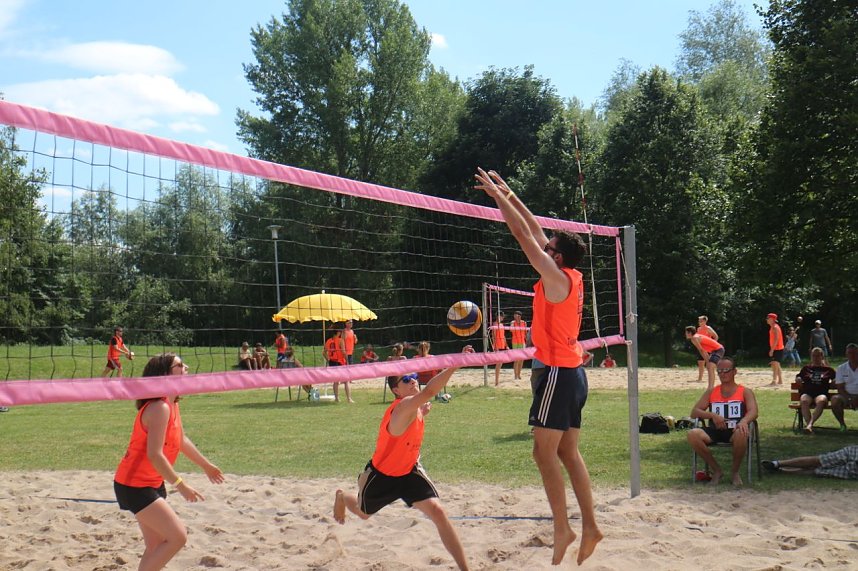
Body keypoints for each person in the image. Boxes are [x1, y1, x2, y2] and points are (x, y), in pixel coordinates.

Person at [474, 168, 602, 566]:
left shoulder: (556, 278)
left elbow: (522, 236)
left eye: (550, 247)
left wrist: (498, 201)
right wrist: (510, 194)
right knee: (568, 454)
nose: (543, 246)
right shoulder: (570, 274)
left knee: (542, 454)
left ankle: (563, 527)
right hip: (573, 373)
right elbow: (532, 228)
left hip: (558, 375)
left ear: (557, 257)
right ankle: (592, 526)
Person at [333, 367, 470, 571]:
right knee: (363, 513)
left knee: (438, 512)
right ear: (396, 390)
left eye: (414, 377)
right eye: (406, 379)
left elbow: (412, 416)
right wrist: (454, 365)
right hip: (382, 475)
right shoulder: (403, 405)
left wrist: (421, 412)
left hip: (409, 470)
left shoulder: (414, 407)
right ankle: (342, 496)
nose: (413, 380)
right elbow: (430, 392)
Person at [113, 353, 225, 571]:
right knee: (177, 537)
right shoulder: (159, 407)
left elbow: (181, 440)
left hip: (149, 483)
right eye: (180, 365)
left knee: (155, 546)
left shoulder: (171, 403)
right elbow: (155, 454)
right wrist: (181, 485)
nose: (187, 368)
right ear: (164, 374)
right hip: (134, 485)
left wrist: (206, 466)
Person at [687, 356, 759, 486]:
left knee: (742, 432)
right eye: (719, 371)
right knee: (692, 434)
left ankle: (735, 472)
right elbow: (694, 412)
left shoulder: (745, 391)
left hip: (735, 430)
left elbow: (753, 411)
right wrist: (712, 415)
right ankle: (717, 470)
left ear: (734, 372)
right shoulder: (712, 392)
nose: (722, 374)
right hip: (715, 430)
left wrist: (744, 421)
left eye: (726, 370)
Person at [795, 347, 836, 433]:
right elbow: (799, 376)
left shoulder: (828, 370)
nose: (815, 358)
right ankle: (809, 426)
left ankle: (809, 425)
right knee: (804, 401)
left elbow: (836, 379)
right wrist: (798, 379)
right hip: (808, 393)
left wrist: (834, 382)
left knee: (821, 401)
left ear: (822, 357)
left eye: (818, 356)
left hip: (821, 393)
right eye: (813, 356)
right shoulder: (806, 368)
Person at [763, 446, 858, 479]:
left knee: (818, 472)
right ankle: (777, 463)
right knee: (820, 460)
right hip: (853, 453)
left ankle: (781, 471)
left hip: (855, 471)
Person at [685, 325, 725, 390]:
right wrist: (707, 360)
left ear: (689, 333)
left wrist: (707, 361)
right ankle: (712, 386)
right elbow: (703, 350)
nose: (685, 334)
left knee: (710, 367)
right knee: (710, 367)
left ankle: (711, 387)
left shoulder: (694, 338)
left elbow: (701, 350)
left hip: (718, 349)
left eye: (686, 332)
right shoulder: (695, 337)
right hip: (715, 351)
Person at [831, 343, 858, 432]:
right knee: (835, 400)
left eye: (855, 353)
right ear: (846, 354)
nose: (852, 355)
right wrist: (850, 398)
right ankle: (842, 425)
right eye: (850, 353)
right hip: (846, 396)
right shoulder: (841, 368)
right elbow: (840, 388)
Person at [324, 329, 352, 403]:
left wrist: (328, 360)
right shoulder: (340, 340)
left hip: (332, 362)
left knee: (336, 381)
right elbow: (343, 352)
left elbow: (324, 353)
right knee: (346, 381)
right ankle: (349, 399)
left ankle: (337, 398)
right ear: (338, 332)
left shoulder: (328, 341)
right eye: (341, 332)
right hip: (340, 362)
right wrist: (347, 361)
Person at [694, 316, 719, 383]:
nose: (699, 322)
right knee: (700, 363)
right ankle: (700, 379)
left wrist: (712, 345)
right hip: (701, 348)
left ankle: (716, 375)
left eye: (701, 321)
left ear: (705, 321)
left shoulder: (708, 328)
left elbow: (716, 336)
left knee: (709, 364)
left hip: (707, 348)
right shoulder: (698, 329)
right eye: (699, 321)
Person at [766, 313, 784, 386]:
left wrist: (772, 350)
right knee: (776, 365)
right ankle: (780, 380)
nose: (767, 320)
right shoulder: (773, 327)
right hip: (777, 348)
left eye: (768, 318)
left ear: (772, 319)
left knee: (775, 365)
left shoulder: (775, 327)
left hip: (777, 348)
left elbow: (776, 339)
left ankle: (774, 380)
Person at [491, 311, 508, 386]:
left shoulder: (502, 325)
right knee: (498, 364)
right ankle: (496, 381)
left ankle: (497, 381)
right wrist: (495, 346)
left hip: (502, 345)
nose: (502, 318)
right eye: (501, 316)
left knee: (500, 363)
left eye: (502, 317)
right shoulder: (495, 324)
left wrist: (506, 345)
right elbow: (493, 336)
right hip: (497, 345)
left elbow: (503, 336)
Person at [510, 311, 528, 380]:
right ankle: (515, 375)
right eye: (515, 316)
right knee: (516, 359)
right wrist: (513, 323)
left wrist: (527, 343)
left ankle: (519, 374)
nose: (515, 317)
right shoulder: (513, 322)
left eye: (517, 315)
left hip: (522, 342)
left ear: (520, 316)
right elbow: (511, 330)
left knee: (521, 359)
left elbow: (526, 334)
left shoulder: (524, 323)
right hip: (515, 342)